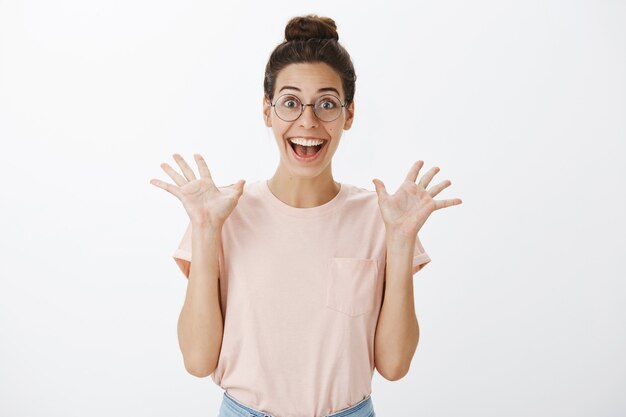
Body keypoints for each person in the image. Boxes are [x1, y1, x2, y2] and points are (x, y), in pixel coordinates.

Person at [149, 14, 462, 417]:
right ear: (267, 110)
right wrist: (206, 230)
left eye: (327, 104)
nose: (308, 121)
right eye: (291, 102)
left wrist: (399, 243)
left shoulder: (381, 217)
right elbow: (197, 360)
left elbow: (395, 365)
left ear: (349, 115)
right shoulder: (223, 213)